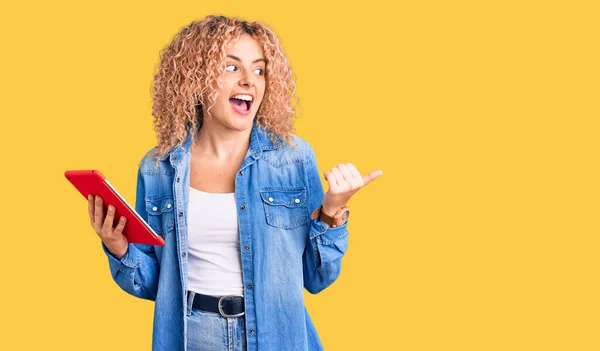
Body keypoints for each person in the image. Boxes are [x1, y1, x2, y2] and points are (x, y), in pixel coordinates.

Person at [87, 15, 383, 351]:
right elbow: (153, 284)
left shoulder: (293, 159)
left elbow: (317, 278)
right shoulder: (158, 168)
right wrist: (118, 247)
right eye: (231, 67)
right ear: (194, 78)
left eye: (259, 70)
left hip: (276, 337)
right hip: (192, 337)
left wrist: (331, 213)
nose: (249, 81)